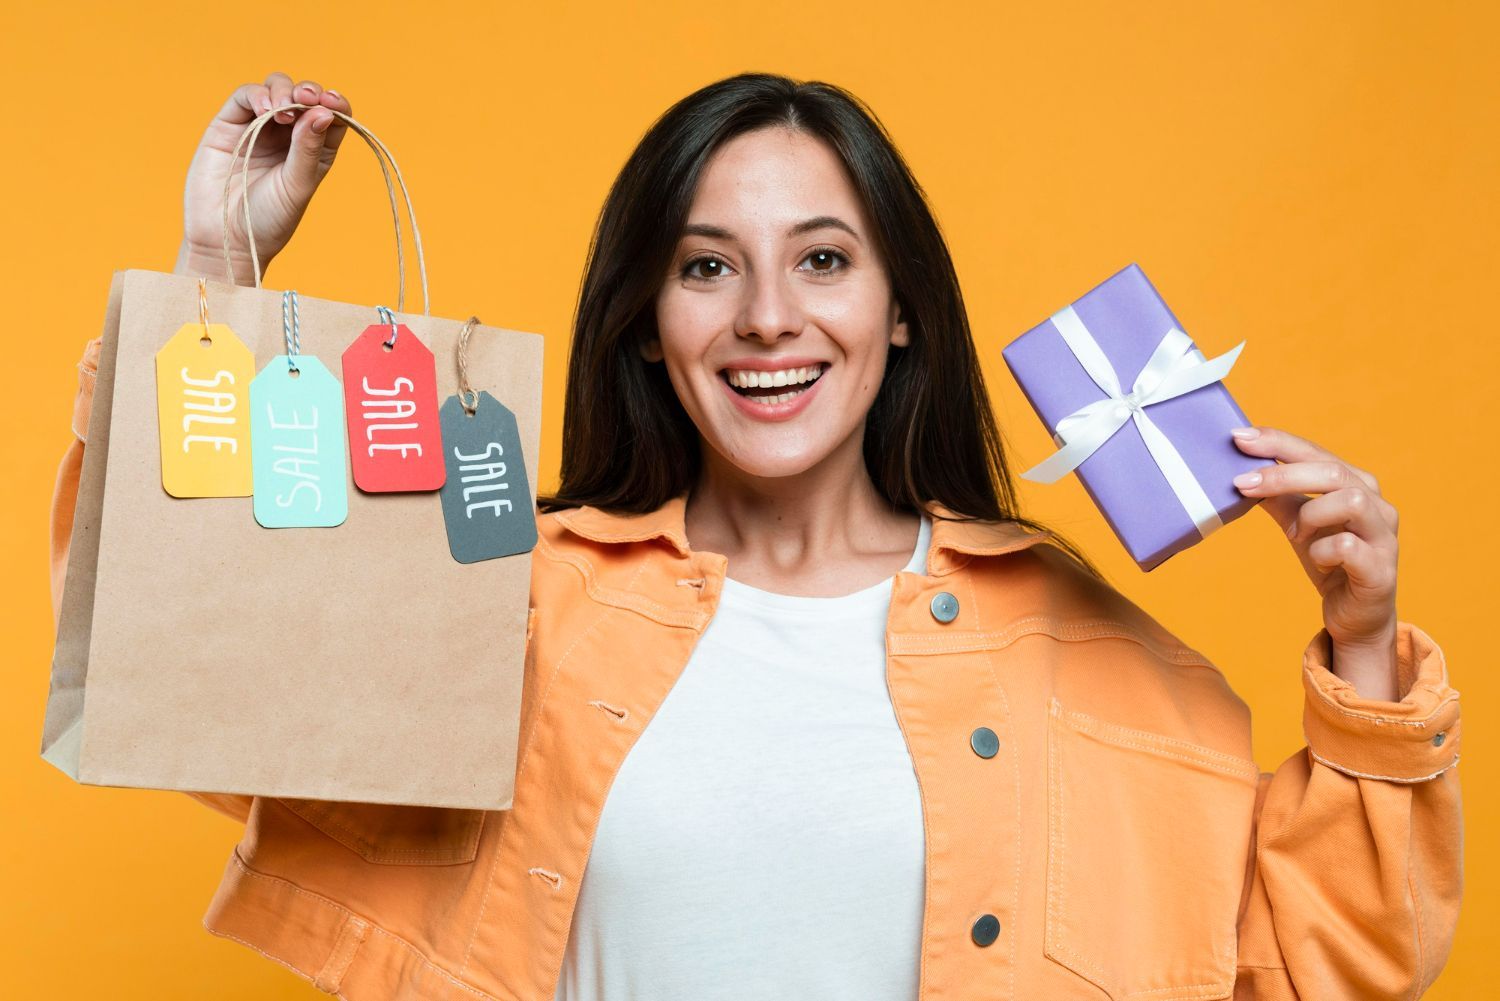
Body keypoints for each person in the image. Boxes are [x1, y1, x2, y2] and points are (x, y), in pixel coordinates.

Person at [49, 71, 1462, 1001]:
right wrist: (218, 281)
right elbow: (195, 684)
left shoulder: (1072, 641)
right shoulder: (508, 597)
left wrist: (1360, 652)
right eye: (707, 265)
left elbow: (1311, 958)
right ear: (653, 329)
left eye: (825, 259)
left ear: (898, 308)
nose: (768, 315)